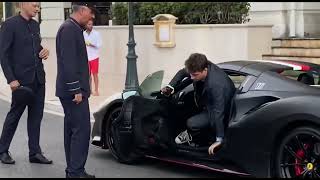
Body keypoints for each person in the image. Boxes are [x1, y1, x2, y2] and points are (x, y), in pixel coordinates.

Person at [0, 2, 52, 165]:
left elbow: (34, 47)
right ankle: (2, 150)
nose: (37, 8)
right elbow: (3, 54)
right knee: (14, 116)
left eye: (38, 6)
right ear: (23, 4)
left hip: (38, 79)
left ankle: (35, 152)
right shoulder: (9, 25)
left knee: (36, 118)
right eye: (34, 5)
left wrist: (43, 51)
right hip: (21, 82)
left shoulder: (35, 25)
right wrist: (11, 79)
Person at [161, 53, 236, 155]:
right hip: (206, 101)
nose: (191, 77)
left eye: (195, 75)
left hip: (216, 108)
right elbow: (182, 72)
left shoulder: (217, 85)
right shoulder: (199, 66)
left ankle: (194, 136)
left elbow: (219, 112)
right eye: (191, 74)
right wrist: (170, 86)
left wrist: (219, 139)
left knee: (191, 123)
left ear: (205, 70)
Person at [56, 2, 96, 178]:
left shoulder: (72, 28)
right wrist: (76, 90)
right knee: (81, 131)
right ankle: (75, 172)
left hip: (73, 91)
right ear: (82, 10)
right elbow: (68, 62)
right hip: (73, 92)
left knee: (73, 130)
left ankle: (73, 170)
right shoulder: (69, 29)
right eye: (91, 13)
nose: (92, 17)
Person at [83, 19, 102, 96]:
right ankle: (89, 90)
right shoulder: (83, 34)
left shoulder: (96, 34)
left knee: (95, 74)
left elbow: (99, 45)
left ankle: (96, 90)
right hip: (86, 57)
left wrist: (91, 44)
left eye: (91, 24)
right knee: (88, 75)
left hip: (94, 57)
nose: (90, 26)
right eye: (89, 24)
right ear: (86, 25)